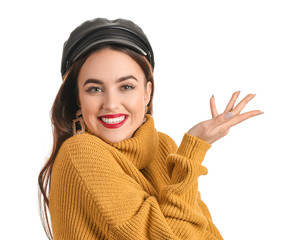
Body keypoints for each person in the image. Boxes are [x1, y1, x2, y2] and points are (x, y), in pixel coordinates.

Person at [38, 18, 263, 240]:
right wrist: (193, 149)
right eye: (95, 89)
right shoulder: (81, 153)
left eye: (126, 86)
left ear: (147, 92)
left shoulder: (163, 147)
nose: (111, 104)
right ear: (77, 98)